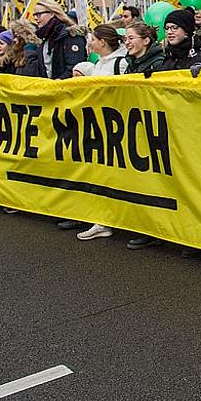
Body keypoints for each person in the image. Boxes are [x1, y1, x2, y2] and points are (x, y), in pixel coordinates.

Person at [70, 23, 129, 240]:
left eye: (92, 39)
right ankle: (102, 218)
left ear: (102, 42)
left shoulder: (121, 64)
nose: (89, 42)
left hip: (113, 126)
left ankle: (110, 219)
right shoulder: (102, 63)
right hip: (99, 124)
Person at [119, 22, 167, 250]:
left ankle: (154, 227)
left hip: (152, 128)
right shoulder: (130, 64)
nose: (127, 42)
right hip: (135, 126)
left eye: (131, 37)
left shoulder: (158, 63)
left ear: (146, 40)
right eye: (125, 38)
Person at [28, 0, 87, 80]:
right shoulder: (44, 38)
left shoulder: (70, 35)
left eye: (39, 14)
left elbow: (75, 66)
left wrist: (58, 82)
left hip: (65, 89)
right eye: (34, 15)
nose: (35, 18)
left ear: (52, 13)